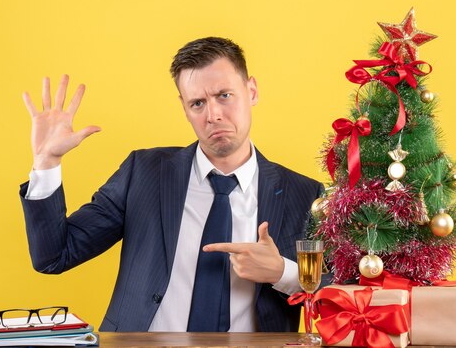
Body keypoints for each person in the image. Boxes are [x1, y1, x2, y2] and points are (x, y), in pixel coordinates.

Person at [19, 37, 322, 332]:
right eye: (197, 103)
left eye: (224, 95)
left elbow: (345, 295)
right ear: (184, 107)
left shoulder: (304, 194)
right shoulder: (143, 173)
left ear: (251, 90)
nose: (213, 114)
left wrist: (284, 273)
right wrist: (47, 163)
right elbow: (55, 256)